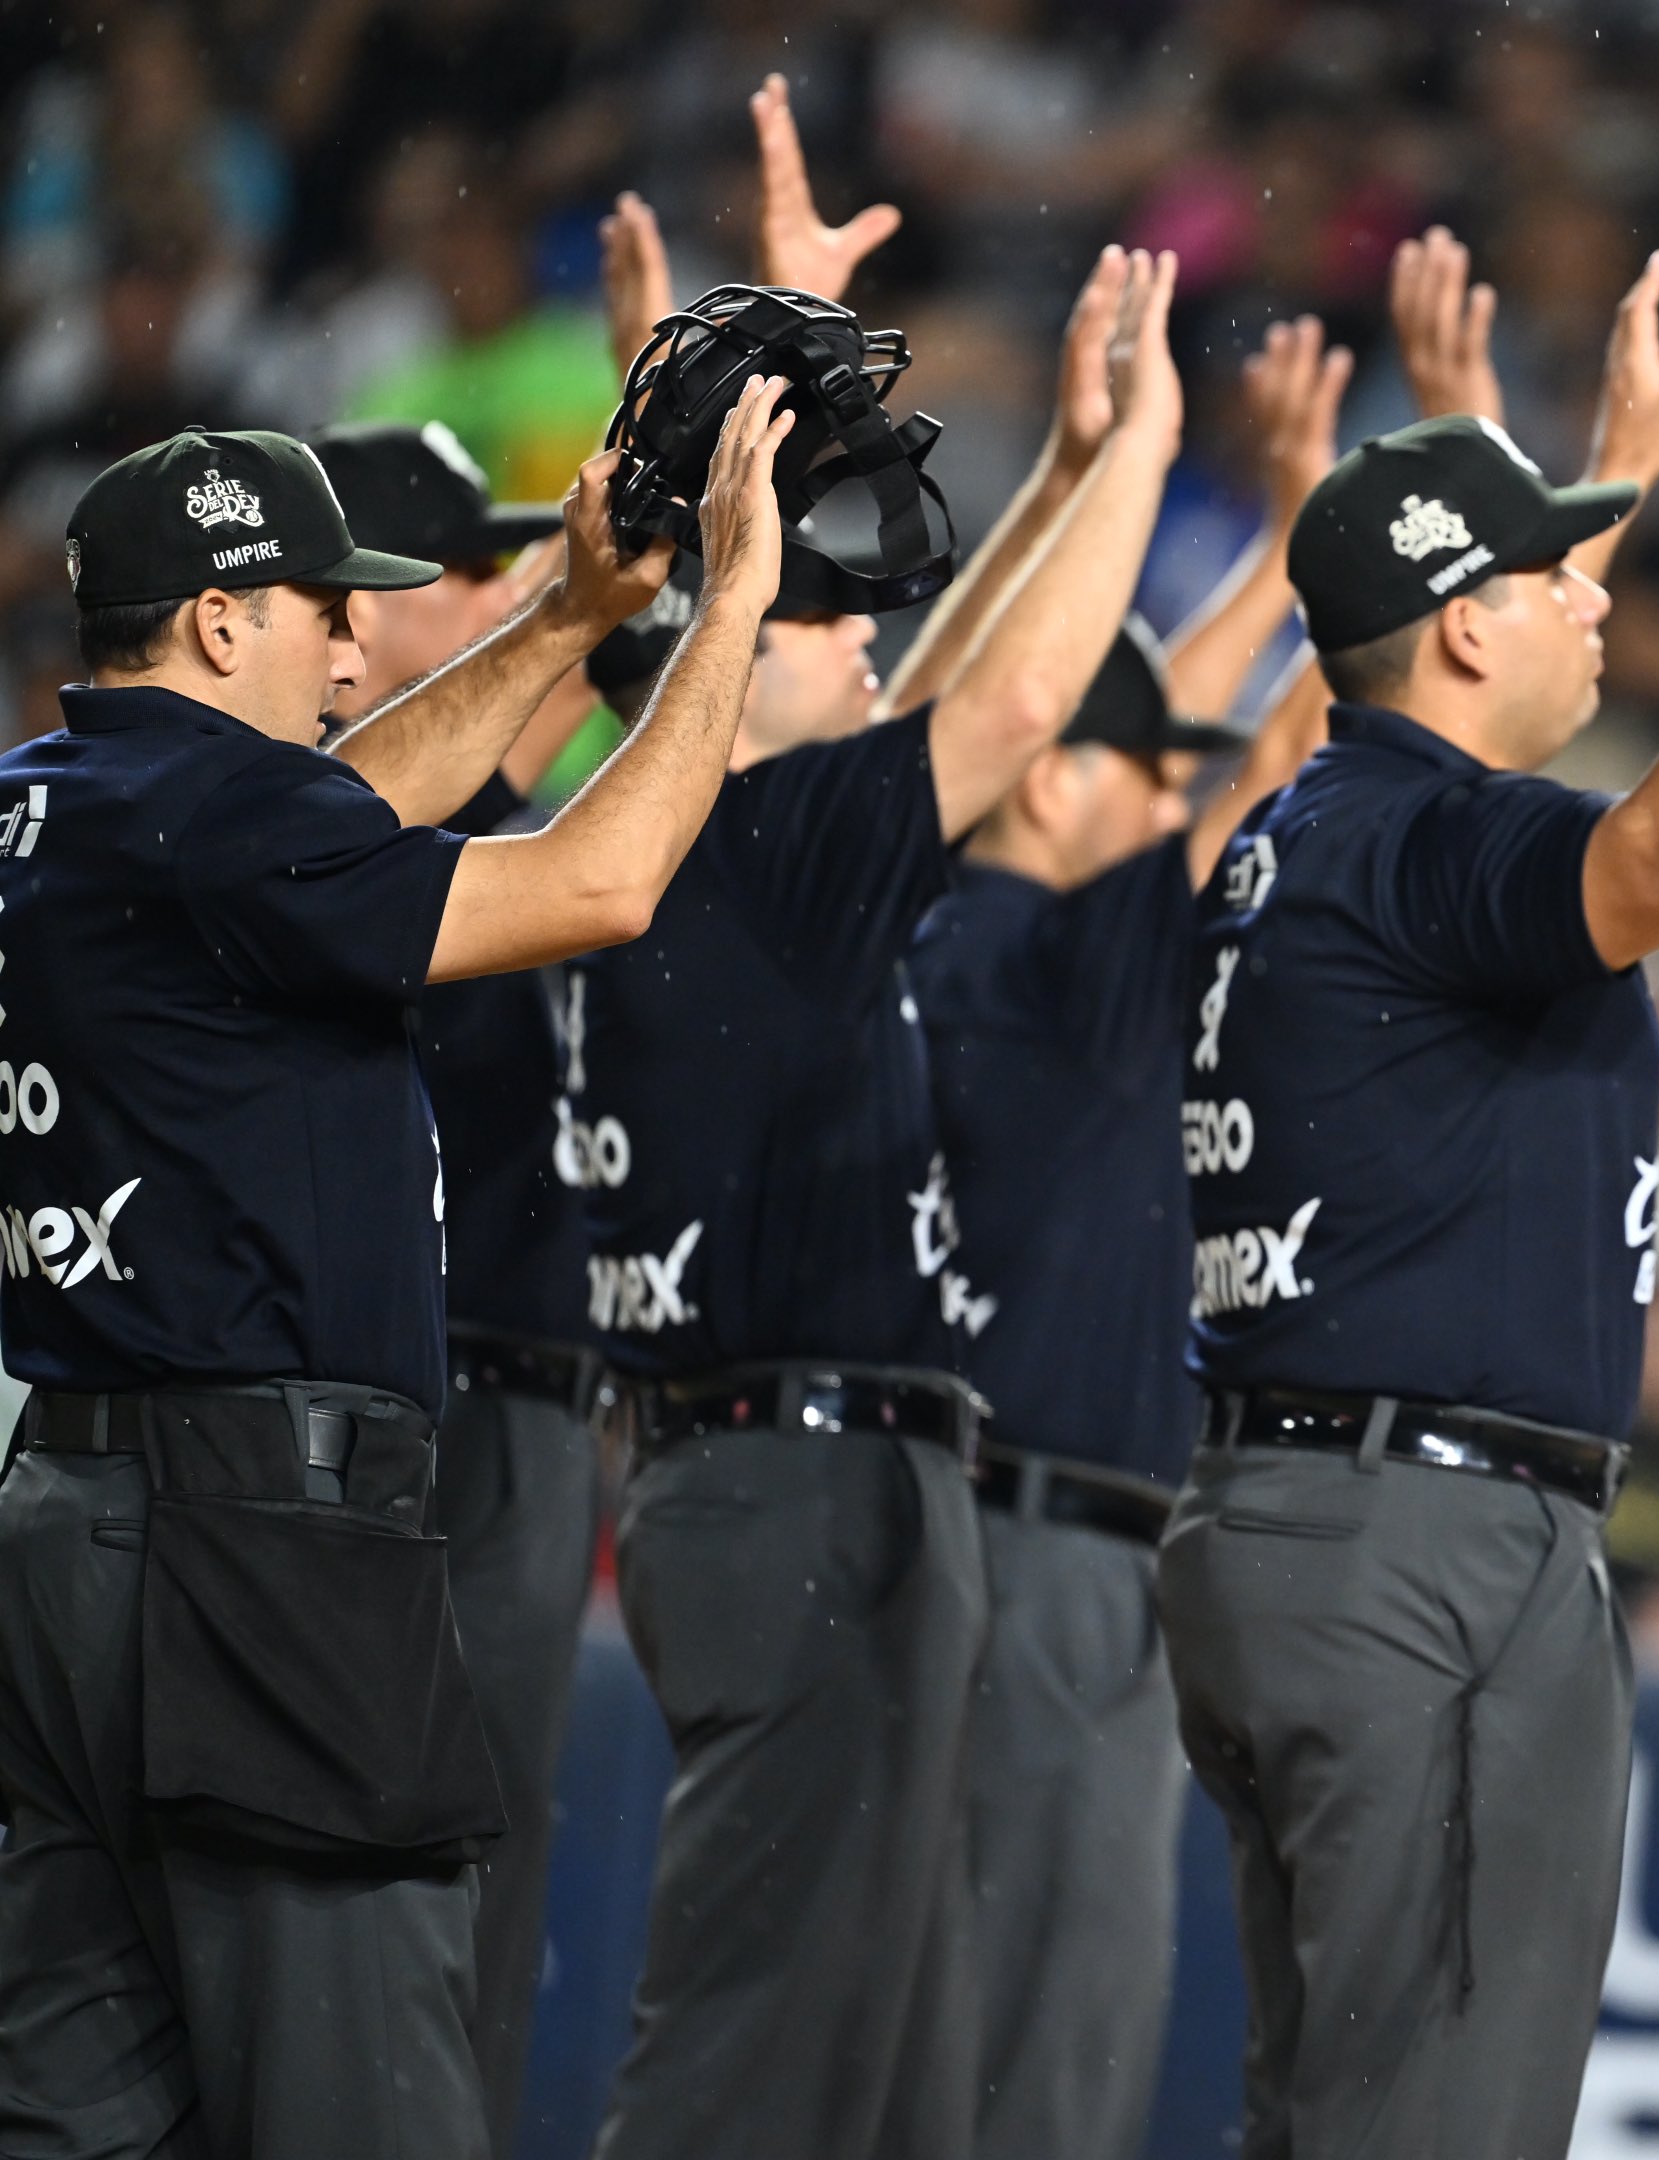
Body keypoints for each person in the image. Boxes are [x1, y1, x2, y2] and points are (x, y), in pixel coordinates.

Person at [1162, 263, 1659, 2156]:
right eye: (1552, 577)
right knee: (1433, 2124)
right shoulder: (1437, 842)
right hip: (1426, 1547)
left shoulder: (1305, 833)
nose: (1598, 596)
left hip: (1298, 1518)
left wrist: (1583, 471)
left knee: (1333, 2114)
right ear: (1453, 632)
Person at [0, 386, 787, 2159]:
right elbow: (596, 882)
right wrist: (723, 614)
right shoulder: (216, 827)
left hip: (67, 1524)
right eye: (325, 604)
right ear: (221, 619)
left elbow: (326, 818)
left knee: (80, 2114)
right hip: (257, 1555)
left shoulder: (55, 809)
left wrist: (568, 623)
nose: (357, 637)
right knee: (367, 2106)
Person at [579, 245, 1184, 2160]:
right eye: (823, 623)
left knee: (888, 2069)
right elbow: (996, 709)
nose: (866, 648)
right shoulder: (756, 842)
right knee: (761, 2067)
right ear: (725, 659)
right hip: (799, 1488)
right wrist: (1141, 453)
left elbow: (936, 687)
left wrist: (1076, 466)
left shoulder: (716, 840)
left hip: (784, 1472)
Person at [906, 307, 1344, 2160]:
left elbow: (1144, 720)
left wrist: (1275, 552)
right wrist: (1333, 562)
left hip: (955, 1532)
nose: (1176, 797)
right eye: (1143, 775)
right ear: (1054, 781)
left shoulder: (927, 919)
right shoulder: (1056, 951)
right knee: (1046, 2058)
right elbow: (1289, 775)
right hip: (1048, 1556)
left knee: (938, 2029)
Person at [308, 415, 600, 2157]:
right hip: (405, 1409)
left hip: (509, 1397)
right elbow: (587, 675)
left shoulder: (430, 798)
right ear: (350, 613)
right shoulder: (299, 837)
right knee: (390, 1879)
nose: (501, 594)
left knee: (478, 1878)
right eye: (462, 570)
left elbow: (590, 644)